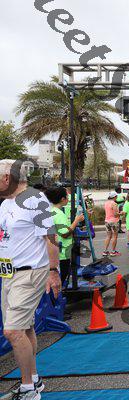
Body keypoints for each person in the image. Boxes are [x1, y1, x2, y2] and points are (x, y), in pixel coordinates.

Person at [0, 159, 61, 400]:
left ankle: (28, 389)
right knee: (25, 328)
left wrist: (53, 272)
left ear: (7, 178)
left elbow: (51, 239)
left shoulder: (36, 201)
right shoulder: (6, 203)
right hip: (9, 274)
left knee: (13, 332)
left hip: (30, 272)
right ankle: (33, 379)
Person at [45, 186, 85, 285]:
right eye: (67, 197)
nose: (68, 199)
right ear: (63, 199)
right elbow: (65, 234)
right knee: (60, 280)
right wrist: (76, 221)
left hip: (56, 253)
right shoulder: (59, 214)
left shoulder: (51, 211)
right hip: (62, 254)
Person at [102, 192, 121, 257]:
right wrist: (121, 213)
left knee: (108, 236)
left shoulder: (106, 203)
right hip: (114, 221)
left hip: (107, 221)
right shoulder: (114, 203)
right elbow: (115, 214)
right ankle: (113, 251)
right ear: (114, 197)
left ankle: (105, 251)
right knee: (114, 236)